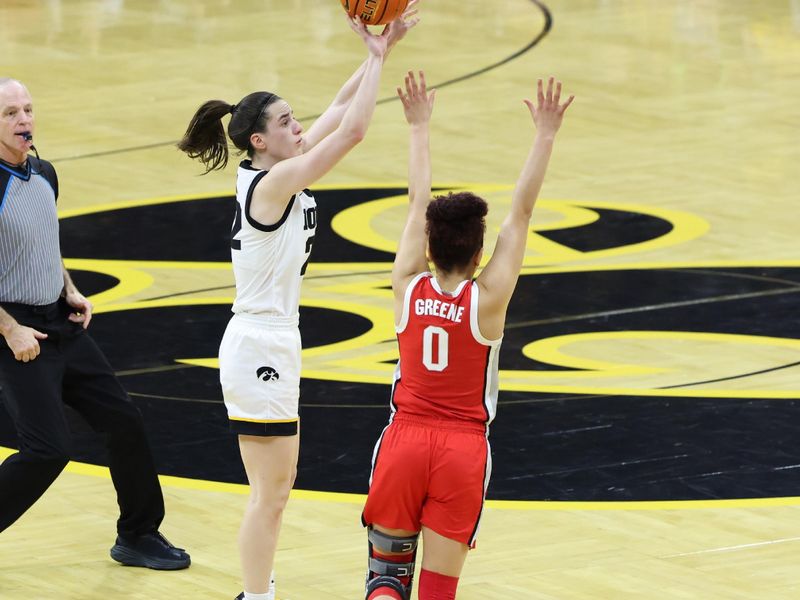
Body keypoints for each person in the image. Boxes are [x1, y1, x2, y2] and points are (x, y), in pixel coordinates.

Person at [177, 6, 419, 600]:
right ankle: (256, 595)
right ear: (261, 141)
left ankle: (257, 589)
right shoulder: (273, 184)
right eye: (287, 123)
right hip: (260, 341)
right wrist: (379, 58)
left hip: (274, 340)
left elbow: (339, 109)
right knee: (272, 493)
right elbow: (354, 131)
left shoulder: (274, 169)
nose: (299, 127)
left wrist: (375, 52)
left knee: (276, 490)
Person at [360, 72, 574, 600]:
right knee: (438, 591)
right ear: (480, 255)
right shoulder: (487, 300)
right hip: (461, 449)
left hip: (403, 440)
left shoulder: (406, 287)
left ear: (428, 249)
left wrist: (418, 126)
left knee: (386, 583)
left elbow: (417, 203)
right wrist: (545, 134)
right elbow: (519, 215)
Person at [0, 78, 190, 570]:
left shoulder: (43, 173)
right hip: (14, 330)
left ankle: (138, 534)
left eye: (28, 109)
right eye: (10, 114)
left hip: (58, 320)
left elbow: (44, 243)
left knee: (123, 420)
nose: (24, 120)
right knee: (47, 449)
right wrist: (9, 329)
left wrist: (68, 287)